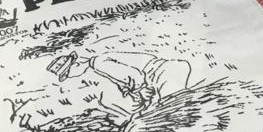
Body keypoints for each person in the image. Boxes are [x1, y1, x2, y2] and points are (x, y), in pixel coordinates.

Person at [48, 51, 192, 112]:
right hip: (161, 73)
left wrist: (141, 89)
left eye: (67, 73)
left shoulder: (99, 63)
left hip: (163, 72)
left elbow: (133, 75)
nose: (70, 77)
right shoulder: (98, 65)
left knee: (175, 109)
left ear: (76, 64)